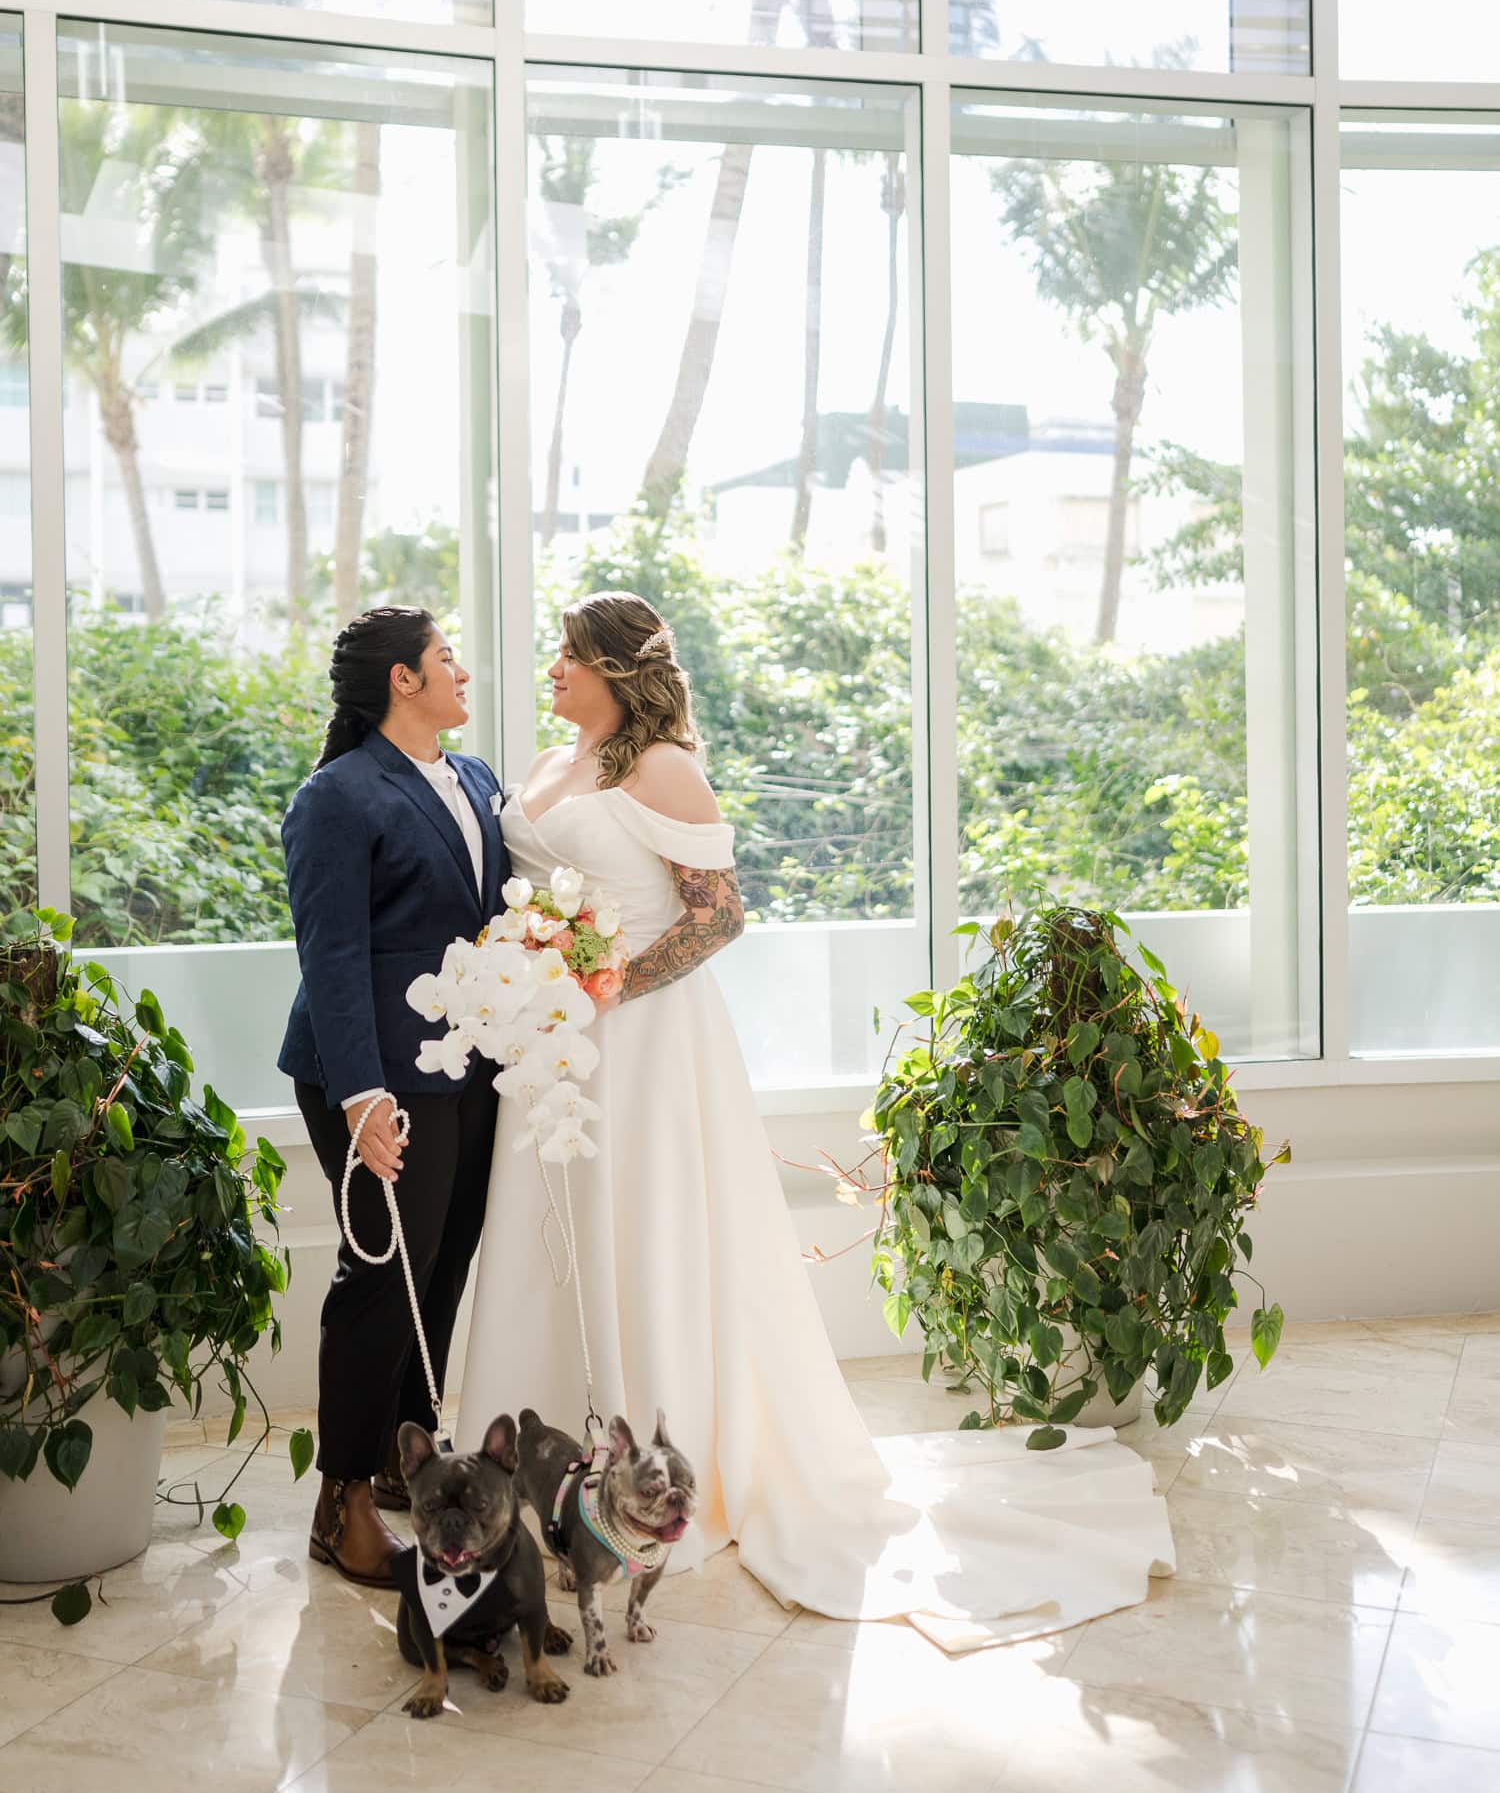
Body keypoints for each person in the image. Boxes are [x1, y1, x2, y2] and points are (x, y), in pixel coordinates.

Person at [457, 592, 1174, 1649]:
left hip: (645, 1044)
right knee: (542, 1245)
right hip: (552, 1050)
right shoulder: (549, 764)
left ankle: (645, 1486)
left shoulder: (659, 768)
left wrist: (607, 981)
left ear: (617, 669)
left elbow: (719, 915)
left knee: (639, 1233)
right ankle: (529, 1479)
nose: (551, 667)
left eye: (570, 654)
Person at [279, 605, 510, 1589]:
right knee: (382, 1276)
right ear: (402, 681)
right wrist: (364, 1099)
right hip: (372, 1079)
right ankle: (341, 1505)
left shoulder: (476, 778)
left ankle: (400, 1463)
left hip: (471, 1070)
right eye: (447, 658)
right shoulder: (336, 796)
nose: (463, 672)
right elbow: (328, 953)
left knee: (443, 1267)